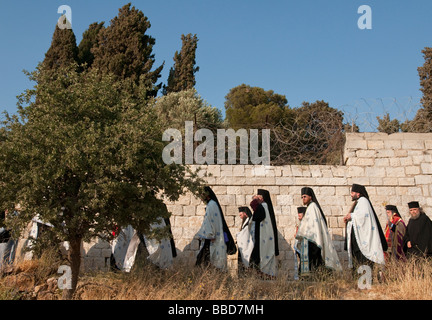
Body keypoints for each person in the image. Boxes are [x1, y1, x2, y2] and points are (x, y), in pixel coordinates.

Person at [295, 187, 342, 276]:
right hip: (309, 240)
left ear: (310, 197)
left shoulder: (313, 207)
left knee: (315, 261)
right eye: (302, 197)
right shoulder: (310, 207)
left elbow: (314, 226)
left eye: (305, 196)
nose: (303, 199)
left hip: (313, 240)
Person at [343, 184, 387, 270]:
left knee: (363, 262)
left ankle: (365, 281)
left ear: (358, 193)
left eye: (352, 192)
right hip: (357, 240)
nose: (351, 194)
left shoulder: (363, 201)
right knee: (358, 262)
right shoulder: (358, 202)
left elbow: (363, 216)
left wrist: (351, 216)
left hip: (362, 241)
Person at [195, 186, 236, 271]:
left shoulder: (211, 205)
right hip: (209, 238)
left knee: (206, 262)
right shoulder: (212, 204)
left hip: (211, 238)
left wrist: (210, 235)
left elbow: (211, 222)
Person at [249, 189, 278, 278]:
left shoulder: (263, 206)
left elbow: (255, 215)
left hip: (262, 238)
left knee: (258, 257)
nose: (257, 199)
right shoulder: (265, 206)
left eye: (258, 197)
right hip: (262, 236)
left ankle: (262, 275)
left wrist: (254, 201)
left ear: (261, 198)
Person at [236, 206, 254, 272]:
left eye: (241, 215)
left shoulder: (249, 222)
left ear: (245, 214)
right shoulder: (246, 222)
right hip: (243, 245)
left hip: (248, 246)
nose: (240, 217)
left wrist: (238, 236)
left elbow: (245, 234)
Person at [293, 206, 306, 280]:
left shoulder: (305, 223)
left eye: (300, 215)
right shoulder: (299, 222)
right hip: (298, 244)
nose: (299, 216)